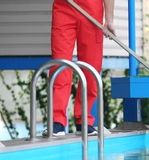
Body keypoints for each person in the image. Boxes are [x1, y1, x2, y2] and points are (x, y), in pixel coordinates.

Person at [43, 0, 116, 137]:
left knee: (91, 66)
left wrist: (109, 19)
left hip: (92, 10)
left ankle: (84, 121)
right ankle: (57, 121)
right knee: (60, 65)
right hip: (63, 8)